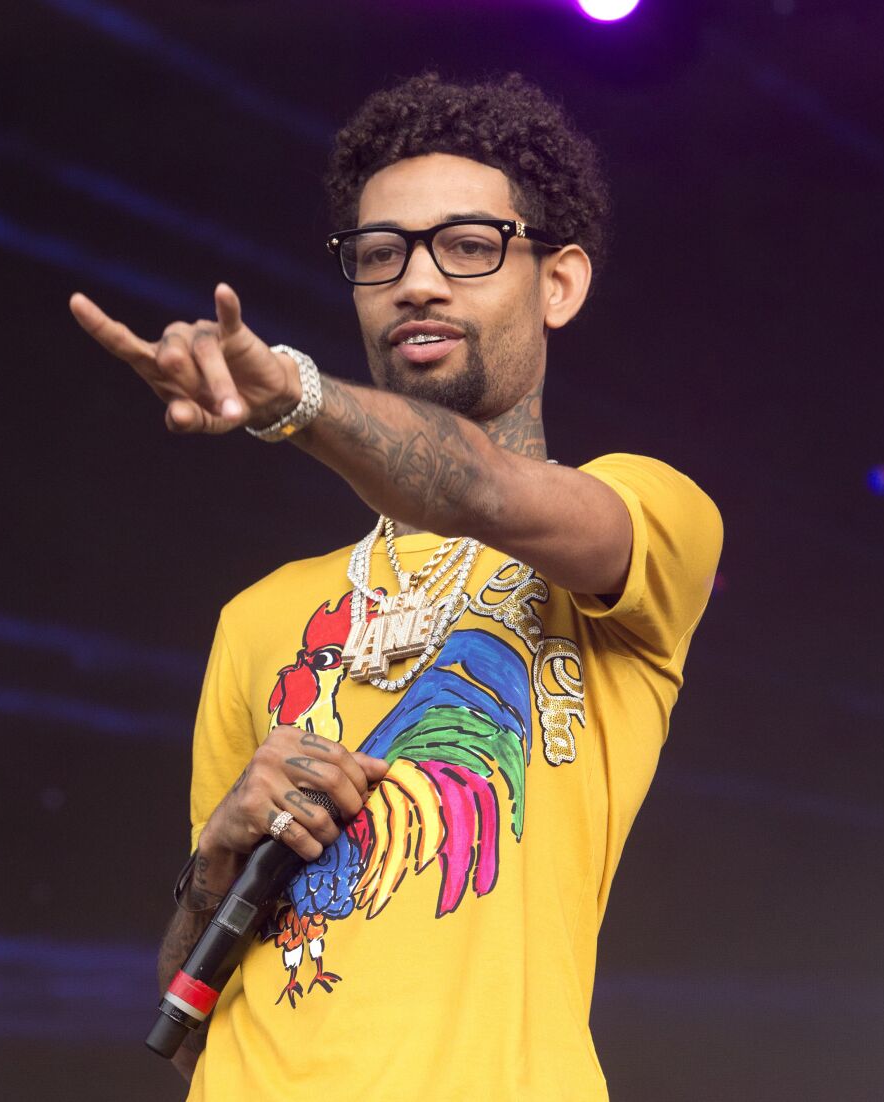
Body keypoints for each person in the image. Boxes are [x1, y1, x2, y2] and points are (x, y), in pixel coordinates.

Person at [71, 72, 722, 1101]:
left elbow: (481, 485)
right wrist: (217, 853)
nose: (418, 281)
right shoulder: (259, 615)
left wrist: (297, 398)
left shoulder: (646, 517)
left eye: (468, 246)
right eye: (382, 255)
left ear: (558, 282)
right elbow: (188, 996)